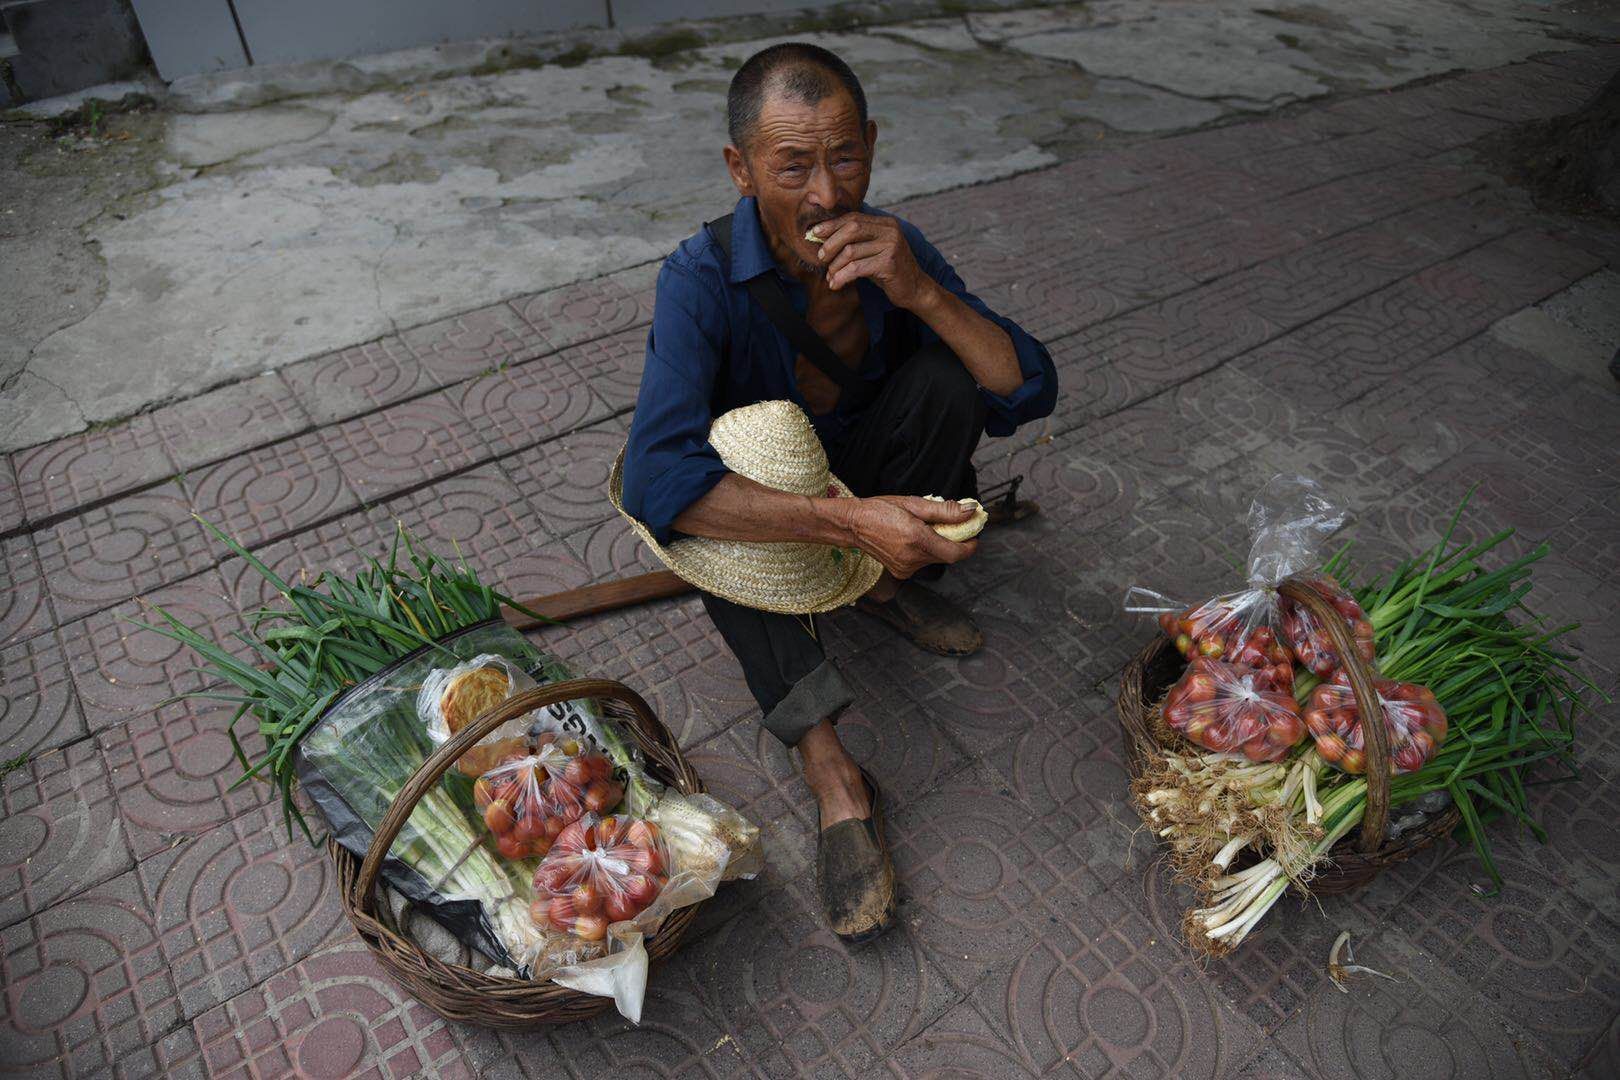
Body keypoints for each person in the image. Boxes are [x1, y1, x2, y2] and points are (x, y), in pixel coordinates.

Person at [612, 42, 1057, 942]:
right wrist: (847, 521)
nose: (826, 194)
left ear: (874, 147)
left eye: (846, 158)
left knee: (947, 373)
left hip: (871, 465)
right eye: (793, 168)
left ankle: (883, 587)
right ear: (741, 170)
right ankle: (832, 773)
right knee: (716, 509)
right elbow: (657, 477)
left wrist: (921, 290)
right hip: (781, 506)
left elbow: (1026, 384)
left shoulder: (896, 244)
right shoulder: (697, 280)